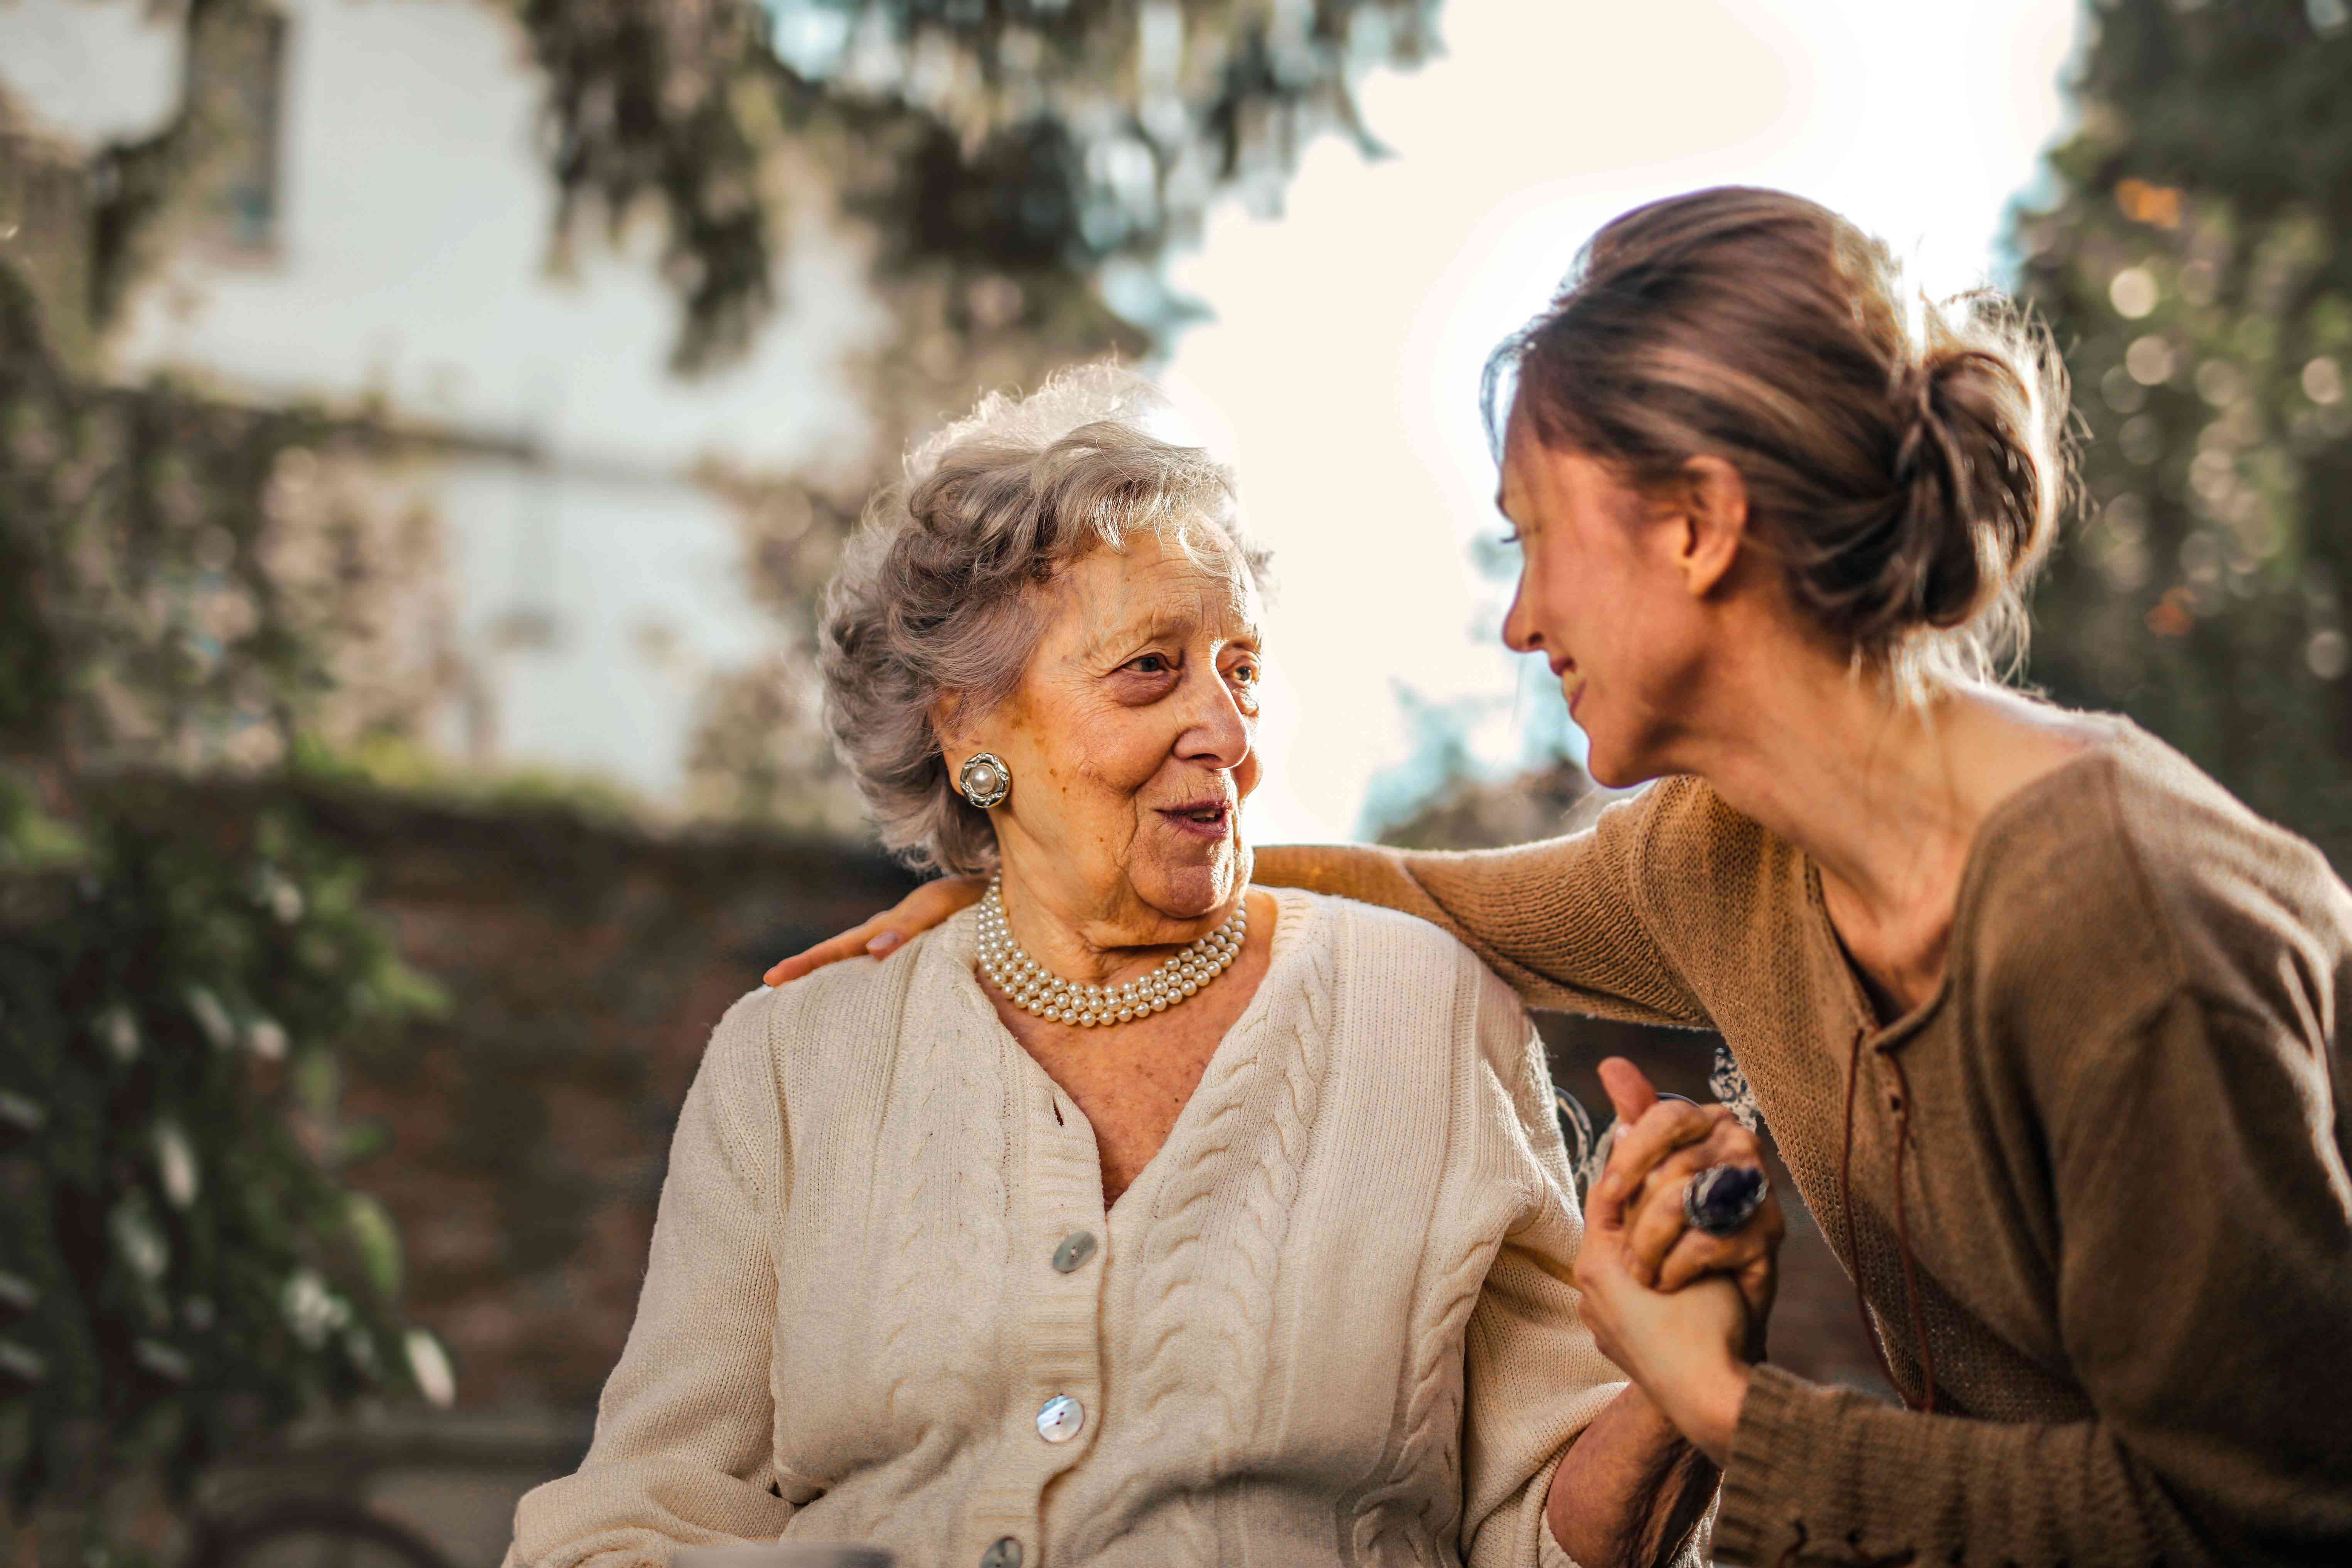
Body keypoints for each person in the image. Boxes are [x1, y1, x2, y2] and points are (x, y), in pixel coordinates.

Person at [766, 190, 2352, 1566]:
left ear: (1698, 526)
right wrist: (1044, 888)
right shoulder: (1729, 859)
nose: (1521, 623)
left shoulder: (2117, 918)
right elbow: (1426, 899)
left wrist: (1721, 1404)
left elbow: (2255, 1518)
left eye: (1535, 539)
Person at [509, 368, 1761, 1568]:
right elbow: (642, 1507)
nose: (1225, 734)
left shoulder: (1424, 1012)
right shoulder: (795, 1057)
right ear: (969, 728)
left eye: (1244, 672)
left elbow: (1544, 1533)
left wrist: (1672, 1387)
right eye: (1151, 668)